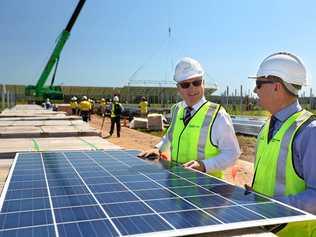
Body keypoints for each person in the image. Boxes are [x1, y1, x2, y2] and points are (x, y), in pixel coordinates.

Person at [138, 57, 240, 178]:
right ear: (178, 88)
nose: (192, 88)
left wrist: (204, 165)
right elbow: (169, 137)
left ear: (203, 83)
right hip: (177, 181)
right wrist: (158, 149)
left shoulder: (217, 115)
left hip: (206, 188)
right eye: (185, 84)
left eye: (196, 82)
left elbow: (232, 153)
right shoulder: (177, 109)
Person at [249, 52, 316, 236]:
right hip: (265, 228)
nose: (255, 91)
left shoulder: (309, 132)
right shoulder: (268, 126)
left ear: (277, 87)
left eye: (259, 84)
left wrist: (277, 207)